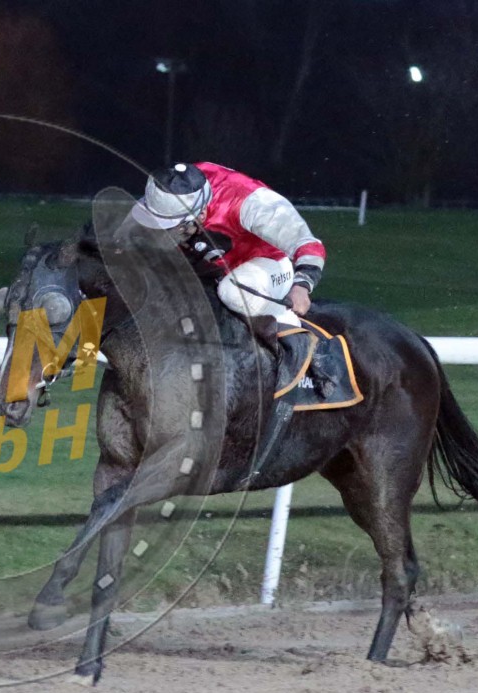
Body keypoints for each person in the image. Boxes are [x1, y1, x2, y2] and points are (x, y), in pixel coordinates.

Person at [130, 162, 332, 481]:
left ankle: (303, 343)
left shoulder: (249, 201)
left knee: (232, 291)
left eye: (170, 226)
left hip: (269, 263)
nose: (162, 232)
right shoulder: (171, 190)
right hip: (220, 263)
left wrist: (302, 285)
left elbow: (307, 243)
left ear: (198, 213)